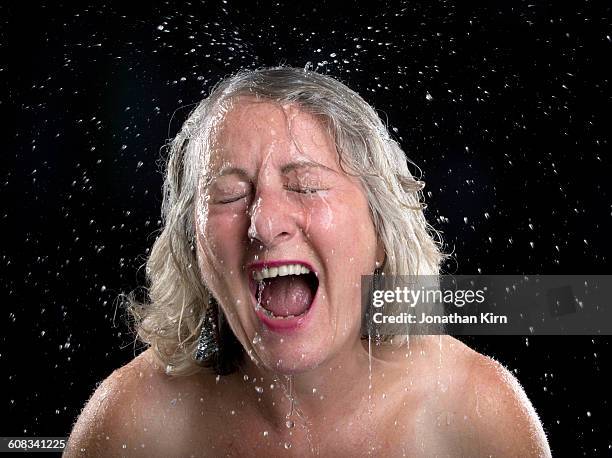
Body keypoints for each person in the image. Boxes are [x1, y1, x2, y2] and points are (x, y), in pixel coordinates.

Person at [65, 67, 551, 457]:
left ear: (381, 231)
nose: (264, 222)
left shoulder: (474, 413)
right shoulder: (135, 425)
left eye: (305, 185)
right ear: (195, 249)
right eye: (229, 194)